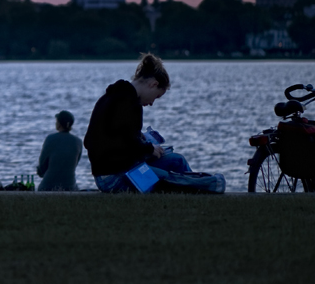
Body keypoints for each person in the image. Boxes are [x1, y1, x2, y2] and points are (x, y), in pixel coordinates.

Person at [84, 53, 222, 193]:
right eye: (156, 96)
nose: (151, 103)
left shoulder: (110, 99)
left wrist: (143, 142)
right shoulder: (129, 104)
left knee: (177, 160)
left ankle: (199, 191)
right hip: (114, 178)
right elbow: (126, 143)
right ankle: (210, 185)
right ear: (153, 84)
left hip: (125, 167)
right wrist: (148, 149)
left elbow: (112, 138)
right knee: (165, 179)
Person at [36, 110, 84, 191]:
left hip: (48, 187)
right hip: (70, 187)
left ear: (58, 124)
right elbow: (74, 165)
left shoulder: (50, 139)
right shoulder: (78, 142)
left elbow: (42, 166)